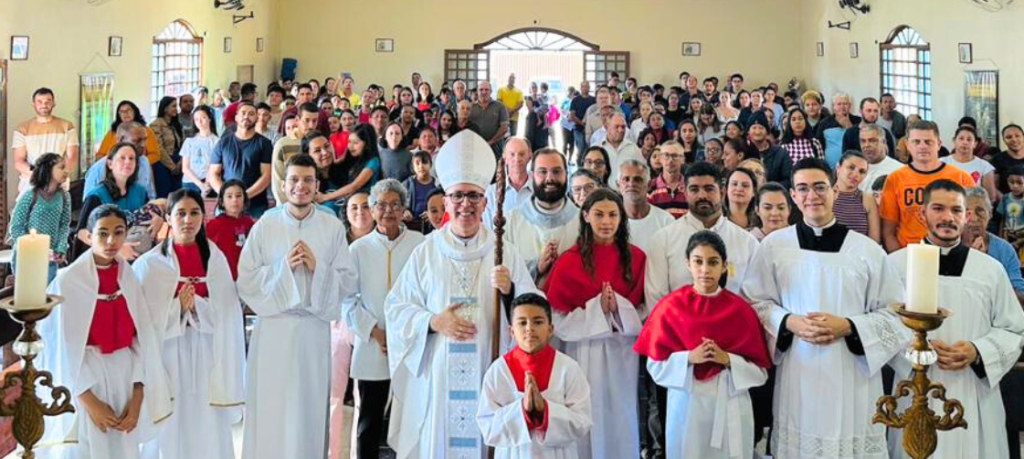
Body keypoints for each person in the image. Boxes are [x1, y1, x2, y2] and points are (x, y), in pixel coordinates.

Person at [384, 131, 538, 459]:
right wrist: (433, 321)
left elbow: (534, 313)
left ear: (485, 202)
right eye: (457, 196)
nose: (465, 204)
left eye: (473, 196)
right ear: (446, 201)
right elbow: (396, 307)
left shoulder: (504, 252)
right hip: (439, 373)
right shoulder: (426, 252)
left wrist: (511, 293)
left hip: (489, 368)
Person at [742, 157, 907, 459]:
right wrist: (789, 322)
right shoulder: (774, 247)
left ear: (833, 191)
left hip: (852, 373)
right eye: (802, 189)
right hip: (798, 371)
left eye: (819, 187)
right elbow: (755, 302)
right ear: (793, 196)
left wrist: (849, 327)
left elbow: (894, 313)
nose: (812, 196)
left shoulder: (867, 251)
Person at [887, 179, 1024, 459]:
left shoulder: (990, 270)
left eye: (956, 210)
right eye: (938, 208)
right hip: (916, 388)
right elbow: (882, 326)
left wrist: (977, 351)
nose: (948, 217)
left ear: (966, 216)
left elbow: (1014, 329)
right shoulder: (896, 265)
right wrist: (914, 351)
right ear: (922, 213)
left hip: (973, 389)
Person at [237, 154, 358, 459]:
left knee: (308, 409)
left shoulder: (331, 227)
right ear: (283, 184)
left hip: (313, 330)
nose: (300, 186)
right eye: (294, 180)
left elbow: (347, 282)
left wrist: (318, 268)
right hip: (274, 330)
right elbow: (246, 279)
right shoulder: (266, 224)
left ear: (317, 185)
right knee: (272, 407)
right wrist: (283, 269)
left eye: (307, 180)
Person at [38, 204, 172, 459]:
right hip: (85, 379)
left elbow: (140, 338)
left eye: (119, 232)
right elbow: (60, 349)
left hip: (126, 375)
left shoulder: (127, 276)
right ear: (89, 236)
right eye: (102, 233)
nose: (111, 241)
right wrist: (90, 401)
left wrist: (137, 396)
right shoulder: (68, 281)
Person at [635, 231, 771, 459]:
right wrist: (689, 358)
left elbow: (760, 373)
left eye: (713, 262)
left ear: (725, 266)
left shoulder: (741, 311)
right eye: (698, 261)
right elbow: (655, 367)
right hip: (687, 404)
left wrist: (727, 359)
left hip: (730, 405)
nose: (705, 269)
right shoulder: (670, 308)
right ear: (687, 264)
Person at [133, 189, 245, 459]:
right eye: (180, 213)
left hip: (208, 353)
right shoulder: (151, 264)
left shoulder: (214, 258)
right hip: (169, 354)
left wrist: (197, 307)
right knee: (171, 421)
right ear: (169, 218)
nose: (187, 219)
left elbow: (229, 312)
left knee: (206, 418)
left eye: (194, 212)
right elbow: (141, 321)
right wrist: (176, 309)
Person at [543, 188, 646, 459]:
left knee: (620, 414)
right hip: (582, 352)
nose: (606, 221)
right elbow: (555, 318)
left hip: (621, 350)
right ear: (586, 216)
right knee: (585, 412)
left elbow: (646, 309)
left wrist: (618, 311)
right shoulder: (569, 261)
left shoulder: (636, 258)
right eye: (599, 214)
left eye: (613, 215)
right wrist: (595, 311)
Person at [344, 179, 426, 459]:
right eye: (381, 204)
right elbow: (347, 299)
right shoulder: (358, 249)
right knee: (369, 421)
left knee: (411, 418)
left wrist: (405, 332)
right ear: (372, 209)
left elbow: (427, 293)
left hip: (411, 346)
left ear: (404, 209)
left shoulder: (420, 244)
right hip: (372, 346)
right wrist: (375, 332)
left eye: (395, 204)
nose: (388, 210)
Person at [476, 293, 593, 459]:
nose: (529, 328)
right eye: (522, 322)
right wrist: (522, 412)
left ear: (551, 329)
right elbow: (487, 428)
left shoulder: (568, 369)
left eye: (538, 322)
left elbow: (583, 421)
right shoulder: (498, 371)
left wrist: (545, 411)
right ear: (511, 332)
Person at [647, 161, 759, 300]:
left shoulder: (747, 243)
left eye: (709, 189)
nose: (702, 196)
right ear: (685, 193)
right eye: (694, 189)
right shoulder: (664, 239)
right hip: (678, 321)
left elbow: (754, 298)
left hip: (733, 321)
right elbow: (656, 299)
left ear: (722, 192)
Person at [881, 121, 975, 252]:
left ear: (939, 144)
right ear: (908, 145)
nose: (922, 146)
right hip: (909, 253)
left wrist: (962, 256)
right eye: (916, 142)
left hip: (951, 253)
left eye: (928, 142)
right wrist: (900, 260)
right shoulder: (895, 178)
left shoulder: (962, 178)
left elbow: (971, 225)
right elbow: (888, 231)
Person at [76, 143, 162, 262]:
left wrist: (158, 220)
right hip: (105, 259)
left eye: (132, 158)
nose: (128, 162)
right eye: (122, 158)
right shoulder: (97, 195)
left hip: (138, 258)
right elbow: (81, 232)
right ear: (110, 164)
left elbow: (148, 214)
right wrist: (116, 248)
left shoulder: (140, 191)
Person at [505, 148, 580, 280]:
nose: (550, 178)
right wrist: (536, 267)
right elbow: (504, 274)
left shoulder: (582, 221)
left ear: (567, 175)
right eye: (542, 172)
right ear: (532, 175)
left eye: (556, 171)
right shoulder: (511, 221)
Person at [9, 153, 71, 282]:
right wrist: (34, 248)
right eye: (61, 167)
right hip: (27, 257)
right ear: (48, 170)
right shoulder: (30, 196)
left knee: (47, 296)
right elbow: (16, 227)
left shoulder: (65, 197)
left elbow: (64, 225)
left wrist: (60, 248)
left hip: (50, 259)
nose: (66, 171)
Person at [209, 101, 274, 217]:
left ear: (256, 118)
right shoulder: (223, 142)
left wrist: (244, 196)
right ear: (236, 117)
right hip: (226, 206)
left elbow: (266, 176)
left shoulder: (264, 144)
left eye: (251, 114)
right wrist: (227, 195)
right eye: (243, 113)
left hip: (255, 205)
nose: (246, 116)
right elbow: (213, 173)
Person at [12, 88, 79, 194]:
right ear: (33, 104)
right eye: (40, 101)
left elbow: (72, 157)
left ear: (53, 103)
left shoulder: (67, 126)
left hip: (59, 184)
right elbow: (19, 162)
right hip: (30, 184)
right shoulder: (23, 129)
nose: (44, 105)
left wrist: (56, 175)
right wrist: (40, 174)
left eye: (48, 101)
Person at [618, 159, 674, 255]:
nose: (631, 184)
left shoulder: (666, 221)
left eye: (638, 179)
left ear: (648, 185)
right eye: (626, 179)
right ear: (618, 185)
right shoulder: (611, 222)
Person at [205, 179, 254, 280]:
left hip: (246, 276)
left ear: (245, 199)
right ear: (222, 201)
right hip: (223, 277)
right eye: (229, 196)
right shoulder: (214, 225)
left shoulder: (249, 222)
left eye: (239, 196)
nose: (234, 200)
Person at [483, 138, 534, 231]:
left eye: (522, 154)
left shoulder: (540, 190)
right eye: (512, 154)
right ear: (504, 157)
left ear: (530, 156)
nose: (517, 159)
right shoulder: (491, 193)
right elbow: (488, 232)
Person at [834, 151, 881, 242]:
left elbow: (874, 242)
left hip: (860, 254)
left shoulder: (868, 200)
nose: (856, 174)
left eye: (861, 171)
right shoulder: (824, 196)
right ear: (838, 167)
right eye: (851, 167)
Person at [942, 125, 998, 200]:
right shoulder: (942, 162)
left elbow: (990, 198)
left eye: (969, 139)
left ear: (975, 144)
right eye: (961, 138)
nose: (965, 142)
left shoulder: (984, 167)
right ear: (954, 141)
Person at [149, 96, 184, 198]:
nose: (176, 109)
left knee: (178, 194)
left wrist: (180, 161)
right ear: (165, 108)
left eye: (176, 106)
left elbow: (182, 145)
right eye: (173, 106)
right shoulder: (156, 124)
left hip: (178, 161)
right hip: (163, 163)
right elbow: (159, 148)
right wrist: (172, 166)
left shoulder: (176, 124)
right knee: (164, 194)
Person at [746, 112, 793, 188]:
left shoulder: (781, 153)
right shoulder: (743, 151)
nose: (757, 132)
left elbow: (788, 180)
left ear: (767, 132)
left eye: (761, 128)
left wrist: (768, 187)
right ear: (748, 131)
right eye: (754, 128)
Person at [814, 92, 861, 168]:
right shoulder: (824, 123)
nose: (842, 107)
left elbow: (860, 143)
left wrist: (848, 126)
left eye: (845, 104)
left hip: (854, 165)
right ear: (833, 106)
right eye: (839, 104)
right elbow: (818, 145)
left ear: (850, 106)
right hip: (830, 167)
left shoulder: (858, 121)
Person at [180, 105, 218, 195]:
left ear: (210, 119)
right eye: (196, 119)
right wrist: (200, 185)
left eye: (203, 118)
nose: (200, 122)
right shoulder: (189, 141)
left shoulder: (216, 141)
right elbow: (185, 168)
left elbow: (213, 166)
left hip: (209, 182)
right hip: (189, 182)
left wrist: (206, 185)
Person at [598, 113, 644, 184]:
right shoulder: (598, 148)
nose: (620, 130)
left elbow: (642, 173)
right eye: (616, 127)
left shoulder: (633, 148)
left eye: (623, 127)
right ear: (607, 128)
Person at [648, 141, 689, 219]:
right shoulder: (649, 187)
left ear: (683, 159)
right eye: (666, 155)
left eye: (675, 155)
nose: (670, 160)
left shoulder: (690, 187)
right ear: (660, 159)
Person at [858, 124, 904, 193]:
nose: (866, 145)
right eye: (863, 141)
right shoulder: (854, 168)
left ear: (884, 142)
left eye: (872, 141)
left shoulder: (899, 170)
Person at [270, 114, 304, 205]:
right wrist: (285, 204)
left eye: (295, 126)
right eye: (288, 128)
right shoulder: (281, 145)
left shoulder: (308, 142)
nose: (292, 130)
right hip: (284, 203)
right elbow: (277, 179)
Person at [403, 151, 440, 233]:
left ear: (430, 165)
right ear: (413, 166)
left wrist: (432, 213)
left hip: (432, 227)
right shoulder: (407, 184)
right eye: (417, 163)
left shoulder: (438, 185)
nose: (421, 166)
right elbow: (399, 202)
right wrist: (404, 211)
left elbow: (444, 207)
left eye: (425, 162)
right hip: (411, 226)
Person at [471, 81, 511, 156]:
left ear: (491, 91)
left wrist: (490, 142)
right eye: (481, 89)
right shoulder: (471, 107)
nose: (484, 92)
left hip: (495, 148)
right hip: (476, 148)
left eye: (486, 90)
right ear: (477, 91)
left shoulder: (500, 106)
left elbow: (504, 128)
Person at [997, 165, 1024, 253]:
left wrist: (1019, 241)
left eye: (1020, 183)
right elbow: (1002, 220)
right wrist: (1001, 239)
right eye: (1011, 182)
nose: (1015, 186)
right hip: (1008, 235)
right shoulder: (1005, 198)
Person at [992, 124, 1024, 196]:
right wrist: (1006, 200)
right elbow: (994, 187)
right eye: (1009, 137)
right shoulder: (997, 159)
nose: (1014, 139)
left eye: (1017, 136)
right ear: (1004, 140)